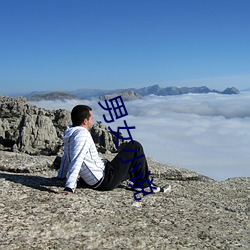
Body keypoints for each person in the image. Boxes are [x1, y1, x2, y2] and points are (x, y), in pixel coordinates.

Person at [57, 104, 161, 194]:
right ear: (85, 121)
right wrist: (69, 187)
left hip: (91, 178)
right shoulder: (82, 135)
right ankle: (144, 185)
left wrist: (61, 176)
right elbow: (77, 158)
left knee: (130, 163)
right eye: (91, 118)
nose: (92, 121)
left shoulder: (70, 133)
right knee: (135, 146)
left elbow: (66, 156)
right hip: (104, 180)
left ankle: (140, 180)